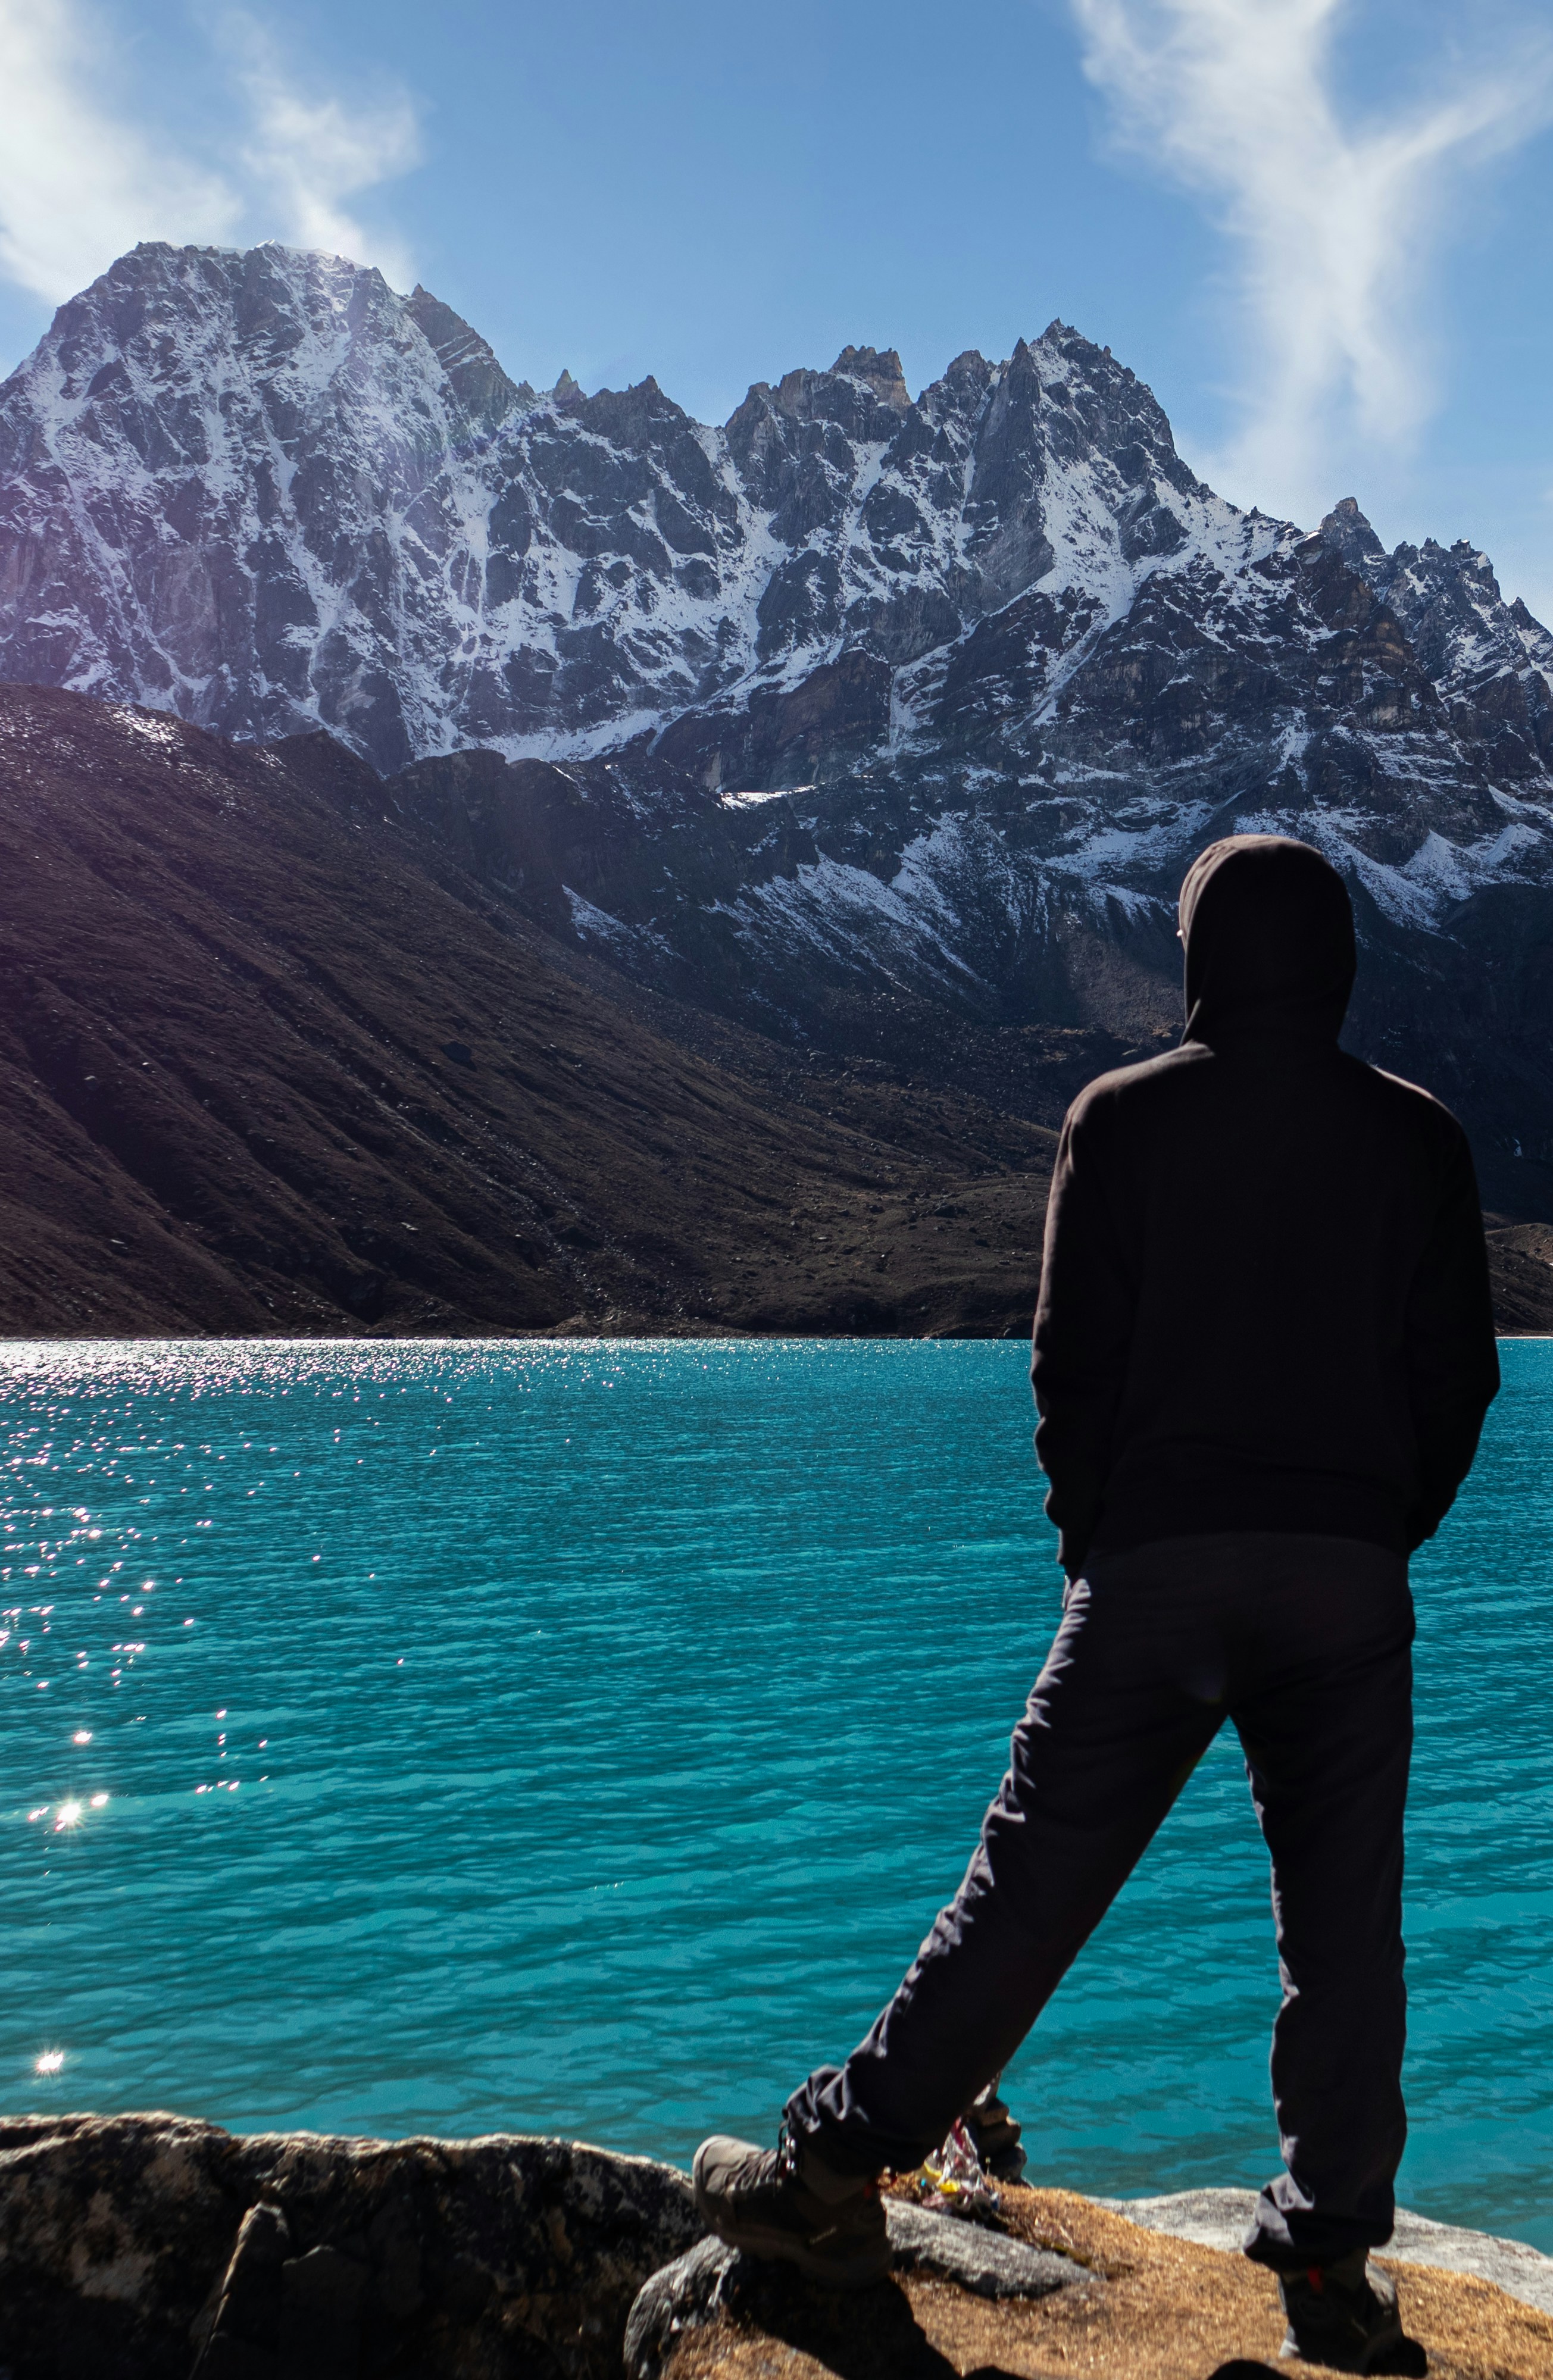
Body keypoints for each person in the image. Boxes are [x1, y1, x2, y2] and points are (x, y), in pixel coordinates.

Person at [693, 835, 1500, 2373]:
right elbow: (1451, 1381)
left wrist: (1102, 1547)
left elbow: (1069, 1368)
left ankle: (830, 2172)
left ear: (1197, 954)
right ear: (1335, 959)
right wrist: (1372, 1533)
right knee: (1344, 1933)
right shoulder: (1419, 1139)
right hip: (1344, 1584)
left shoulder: (1118, 1121)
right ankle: (1330, 2260)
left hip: (1150, 1572)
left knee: (1028, 1891)